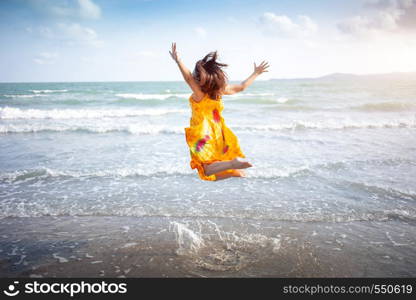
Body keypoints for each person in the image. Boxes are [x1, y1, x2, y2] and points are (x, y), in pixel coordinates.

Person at [169, 42, 269, 181]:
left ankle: (233, 164)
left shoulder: (200, 94)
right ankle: (235, 172)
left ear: (199, 78)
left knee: (205, 169)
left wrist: (178, 60)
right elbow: (241, 87)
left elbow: (187, 78)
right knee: (209, 171)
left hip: (202, 134)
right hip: (218, 133)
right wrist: (256, 73)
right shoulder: (220, 91)